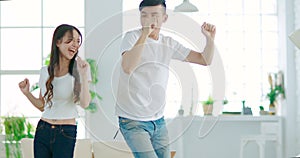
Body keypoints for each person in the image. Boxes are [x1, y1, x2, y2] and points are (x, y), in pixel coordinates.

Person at [116, 0, 216, 157]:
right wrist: (144, 35)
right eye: (144, 16)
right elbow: (128, 67)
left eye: (154, 15)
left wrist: (209, 40)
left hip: (158, 121)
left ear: (164, 18)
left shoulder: (168, 43)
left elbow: (204, 60)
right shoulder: (131, 37)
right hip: (132, 121)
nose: (149, 20)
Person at [18, 24, 91, 158]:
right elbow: (42, 105)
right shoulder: (45, 71)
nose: (75, 45)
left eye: (78, 41)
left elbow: (85, 103)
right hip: (43, 129)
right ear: (58, 42)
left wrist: (84, 75)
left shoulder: (81, 70)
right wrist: (27, 93)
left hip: (66, 131)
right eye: (70, 40)